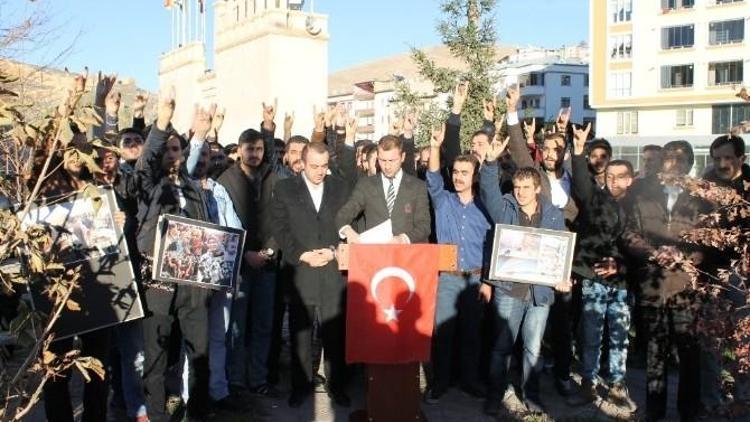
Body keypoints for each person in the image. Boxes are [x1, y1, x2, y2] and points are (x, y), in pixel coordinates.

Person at [126, 89, 213, 422]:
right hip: (159, 285)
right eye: (168, 149)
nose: (174, 154)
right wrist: (162, 120)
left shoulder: (192, 187)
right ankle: (159, 415)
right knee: (157, 359)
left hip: (194, 285)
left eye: (178, 149)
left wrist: (201, 134)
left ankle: (199, 413)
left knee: (200, 356)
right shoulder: (149, 185)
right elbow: (145, 162)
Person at [478, 135, 572, 416]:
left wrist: (563, 277)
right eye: (517, 187)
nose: (520, 192)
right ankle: (496, 396)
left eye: (526, 188)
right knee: (501, 348)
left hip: (540, 292)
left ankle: (531, 396)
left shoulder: (553, 214)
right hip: (509, 290)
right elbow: (488, 190)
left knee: (533, 349)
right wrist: (491, 162)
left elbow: (562, 248)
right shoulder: (504, 208)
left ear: (537, 188)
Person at [621, 140, 715, 422]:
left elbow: (710, 240)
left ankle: (689, 412)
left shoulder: (701, 199)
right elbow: (628, 233)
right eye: (669, 157)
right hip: (653, 284)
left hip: (687, 286)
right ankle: (655, 411)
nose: (673, 163)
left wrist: (686, 255)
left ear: (688, 164)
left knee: (689, 353)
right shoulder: (642, 195)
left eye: (680, 159)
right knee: (655, 352)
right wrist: (652, 252)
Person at [271, 142, 353, 408]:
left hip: (332, 268)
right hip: (302, 271)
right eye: (314, 166)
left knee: (334, 332)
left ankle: (336, 385)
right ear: (302, 164)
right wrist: (301, 255)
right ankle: (301, 385)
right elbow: (280, 228)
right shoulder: (284, 189)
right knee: (300, 333)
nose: (320, 172)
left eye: (324, 166)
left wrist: (334, 251)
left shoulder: (340, 188)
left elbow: (350, 225)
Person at [565, 124, 637, 412]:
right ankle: (589, 382)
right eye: (609, 177)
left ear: (630, 180)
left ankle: (617, 384)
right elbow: (581, 181)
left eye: (619, 177)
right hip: (593, 278)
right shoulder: (596, 198)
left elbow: (640, 245)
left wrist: (619, 264)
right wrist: (579, 150)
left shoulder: (638, 206)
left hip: (621, 281)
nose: (613, 181)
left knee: (619, 334)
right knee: (591, 333)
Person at [423, 124, 492, 403]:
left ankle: (470, 380)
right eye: (456, 172)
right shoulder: (443, 201)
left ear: (475, 176)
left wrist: (488, 282)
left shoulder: (486, 207)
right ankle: (440, 382)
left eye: (465, 172)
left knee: (472, 334)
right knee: (444, 334)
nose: (459, 177)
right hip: (448, 278)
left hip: (475, 278)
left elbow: (490, 248)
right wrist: (436, 147)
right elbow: (432, 176)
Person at [216, 105, 280, 398]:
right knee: (237, 327)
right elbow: (222, 224)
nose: (254, 154)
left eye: (258, 148)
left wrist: (268, 251)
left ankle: (258, 377)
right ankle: (237, 378)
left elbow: (282, 218)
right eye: (248, 149)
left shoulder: (273, 177)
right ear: (239, 150)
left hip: (267, 262)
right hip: (239, 265)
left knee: (263, 324)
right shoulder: (225, 181)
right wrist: (245, 255)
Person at [336, 135, 431, 245]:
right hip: (376, 255)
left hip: (406, 256)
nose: (387, 166)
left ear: (403, 157)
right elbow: (343, 214)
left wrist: (403, 239)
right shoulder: (366, 185)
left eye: (392, 160)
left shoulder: (417, 187)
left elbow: (424, 226)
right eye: (382, 160)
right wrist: (348, 231)